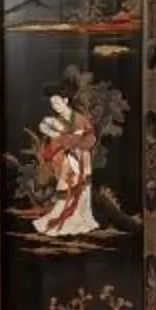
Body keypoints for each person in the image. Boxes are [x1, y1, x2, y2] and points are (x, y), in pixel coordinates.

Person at [29, 94, 100, 237]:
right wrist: (65, 141)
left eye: (57, 102)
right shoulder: (56, 122)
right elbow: (55, 145)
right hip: (69, 158)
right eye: (52, 104)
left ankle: (83, 218)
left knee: (84, 187)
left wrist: (78, 141)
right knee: (67, 186)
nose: (55, 106)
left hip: (83, 156)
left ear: (65, 100)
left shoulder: (80, 118)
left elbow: (91, 136)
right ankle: (65, 218)